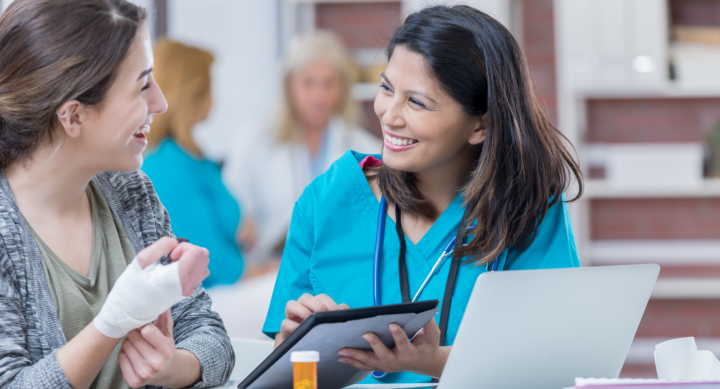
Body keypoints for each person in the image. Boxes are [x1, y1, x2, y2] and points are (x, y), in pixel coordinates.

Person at [263, 5, 584, 385]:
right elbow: (293, 377)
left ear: (481, 124)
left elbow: (556, 359)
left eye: (416, 102)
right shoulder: (326, 201)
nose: (389, 115)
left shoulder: (527, 207)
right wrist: (295, 352)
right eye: (387, 88)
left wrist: (432, 361)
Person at [0, 1, 233, 388]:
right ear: (73, 116)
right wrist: (113, 322)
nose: (160, 102)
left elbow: (210, 334)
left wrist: (173, 367)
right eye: (142, 85)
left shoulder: (130, 192)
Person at [222, 30, 380, 271]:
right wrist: (243, 219)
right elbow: (234, 206)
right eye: (308, 83)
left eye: (329, 84)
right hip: (270, 267)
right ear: (289, 86)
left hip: (337, 266)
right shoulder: (253, 140)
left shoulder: (366, 148)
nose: (319, 96)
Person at [143, 39, 244, 288]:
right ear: (192, 93)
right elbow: (204, 255)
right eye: (209, 87)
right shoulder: (166, 167)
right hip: (210, 295)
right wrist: (254, 269)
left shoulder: (192, 158)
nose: (213, 97)